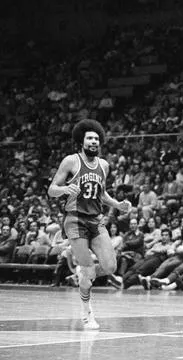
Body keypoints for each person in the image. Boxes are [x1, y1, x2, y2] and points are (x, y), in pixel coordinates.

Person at [47, 119, 132, 329]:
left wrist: (118, 205)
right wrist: (65, 190)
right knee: (88, 270)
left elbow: (101, 193)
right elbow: (51, 189)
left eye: (96, 138)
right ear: (81, 141)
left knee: (110, 266)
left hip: (96, 219)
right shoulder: (71, 161)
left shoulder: (104, 165)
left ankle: (83, 273)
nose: (94, 141)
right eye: (89, 138)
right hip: (75, 218)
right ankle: (87, 312)